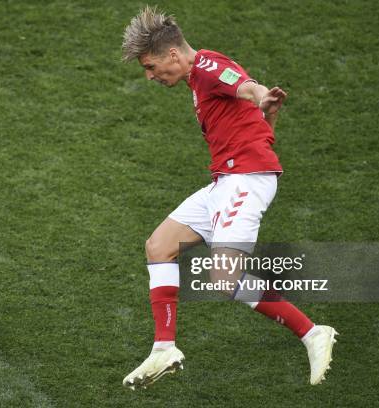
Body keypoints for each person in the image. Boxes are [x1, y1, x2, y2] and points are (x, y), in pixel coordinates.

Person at [121, 6, 338, 390]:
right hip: (227, 179)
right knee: (159, 246)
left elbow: (244, 85)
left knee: (225, 276)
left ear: (172, 54)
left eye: (151, 67)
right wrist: (265, 111)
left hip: (245, 180)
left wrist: (258, 95)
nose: (150, 76)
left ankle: (312, 332)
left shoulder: (206, 68)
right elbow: (251, 111)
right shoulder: (198, 78)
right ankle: (164, 348)